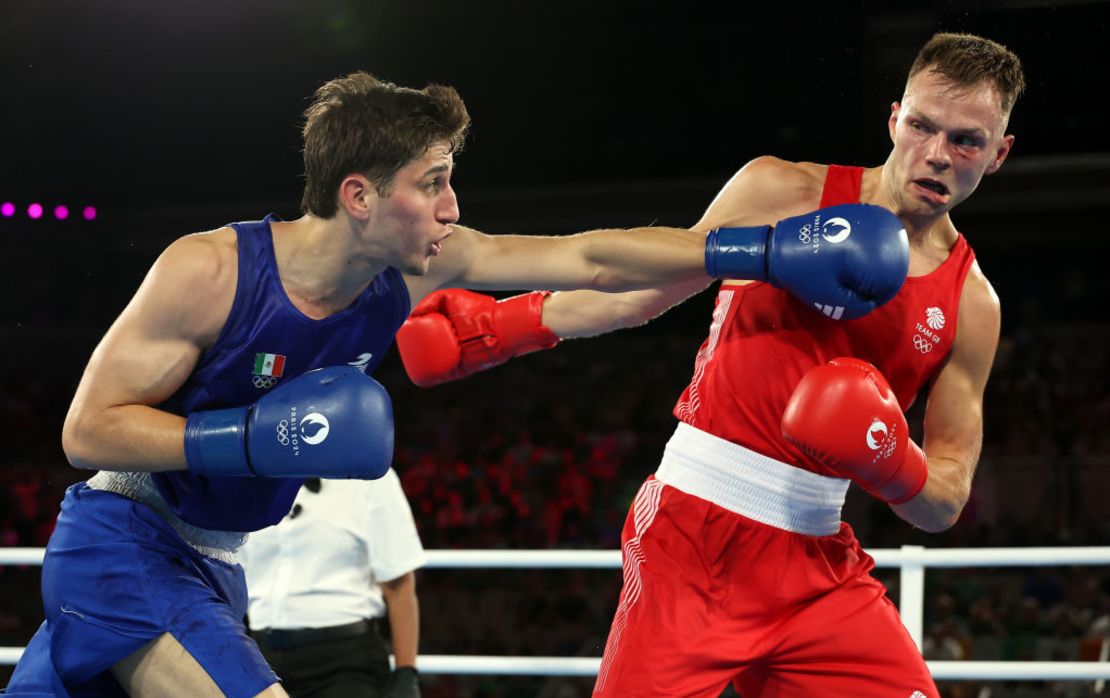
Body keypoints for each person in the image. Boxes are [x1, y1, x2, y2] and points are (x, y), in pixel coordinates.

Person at [4, 71, 907, 697]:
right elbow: (87, 432)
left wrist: (757, 249)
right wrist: (244, 439)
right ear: (359, 196)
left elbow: (589, 257)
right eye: (432, 183)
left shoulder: (418, 269)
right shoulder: (207, 272)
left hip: (216, 561)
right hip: (123, 542)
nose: (452, 208)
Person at [395, 32, 1024, 696]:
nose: (935, 155)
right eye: (922, 125)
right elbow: (638, 294)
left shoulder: (972, 302)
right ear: (894, 116)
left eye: (965, 141)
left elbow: (945, 500)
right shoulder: (784, 189)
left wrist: (888, 456)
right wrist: (494, 327)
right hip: (693, 537)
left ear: (999, 153)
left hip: (819, 566)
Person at [239, 473, 425, 698]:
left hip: (346, 663)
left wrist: (406, 675)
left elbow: (399, 586)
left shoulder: (369, 474)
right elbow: (229, 579)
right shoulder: (250, 474)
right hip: (261, 660)